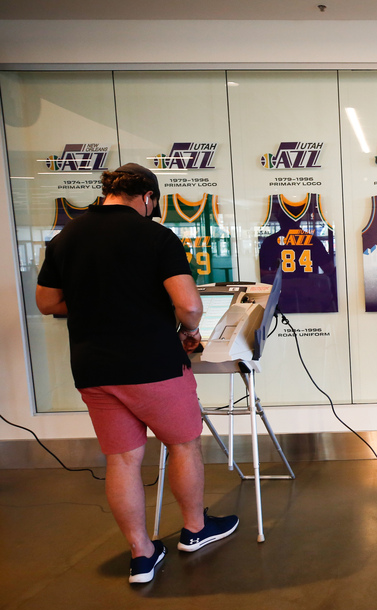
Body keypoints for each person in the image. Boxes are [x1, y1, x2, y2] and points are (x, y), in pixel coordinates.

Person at [36, 163, 239, 583]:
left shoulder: (66, 237)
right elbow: (190, 305)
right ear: (148, 197)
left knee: (123, 459)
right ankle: (195, 530)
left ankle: (142, 555)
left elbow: (48, 302)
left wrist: (100, 304)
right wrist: (189, 329)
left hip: (94, 369)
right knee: (183, 446)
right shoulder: (155, 236)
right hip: (154, 365)